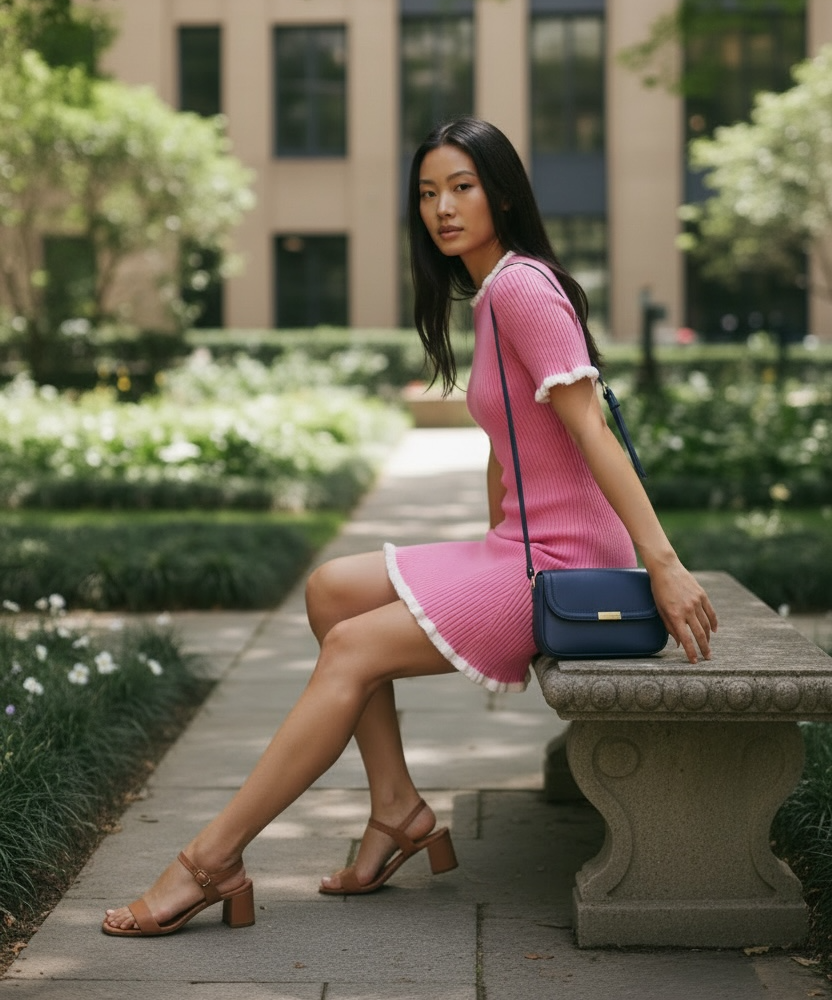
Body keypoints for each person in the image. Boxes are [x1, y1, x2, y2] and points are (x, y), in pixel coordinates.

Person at [102, 116, 717, 937]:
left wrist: (664, 563)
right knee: (331, 590)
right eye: (428, 192)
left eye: (462, 186)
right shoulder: (496, 288)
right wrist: (475, 545)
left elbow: (590, 429)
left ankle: (210, 861)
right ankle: (395, 810)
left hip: (560, 561)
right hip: (518, 544)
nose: (443, 207)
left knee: (352, 648)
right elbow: (513, 443)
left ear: (501, 192)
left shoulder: (521, 287)